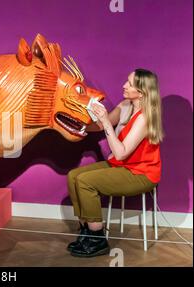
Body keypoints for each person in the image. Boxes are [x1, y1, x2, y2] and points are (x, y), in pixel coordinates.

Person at [67, 68, 164, 257]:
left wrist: (104, 121)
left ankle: (97, 238)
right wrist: (80, 122)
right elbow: (104, 124)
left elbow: (120, 153)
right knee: (73, 176)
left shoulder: (145, 116)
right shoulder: (126, 105)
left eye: (129, 83)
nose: (124, 86)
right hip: (124, 166)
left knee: (86, 182)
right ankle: (86, 230)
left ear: (142, 91)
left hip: (141, 173)